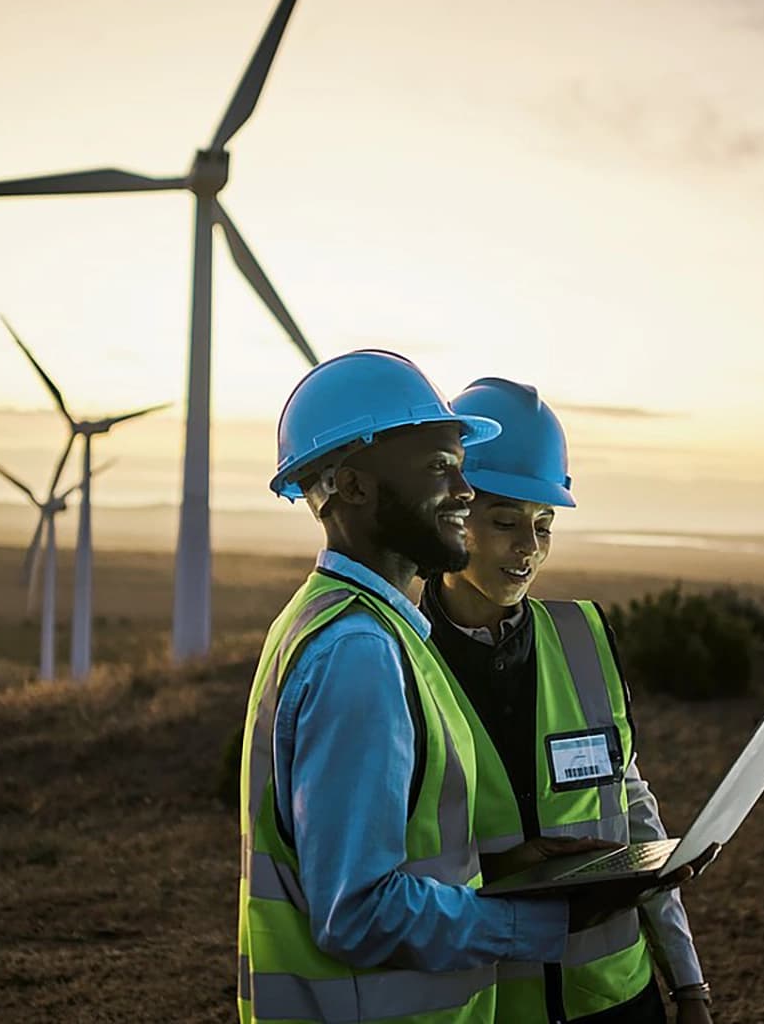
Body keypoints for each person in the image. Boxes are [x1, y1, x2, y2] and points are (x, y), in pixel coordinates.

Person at [238, 350, 691, 1024]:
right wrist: (536, 921)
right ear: (354, 488)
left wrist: (509, 862)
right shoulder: (361, 650)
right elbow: (357, 911)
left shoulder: (370, 631)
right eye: (440, 470)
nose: (460, 491)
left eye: (543, 524)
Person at [420, 378, 712, 1024]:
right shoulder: (396, 661)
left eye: (544, 524)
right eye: (504, 522)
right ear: (451, 513)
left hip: (619, 1000)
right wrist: (502, 867)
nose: (529, 547)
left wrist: (688, 984)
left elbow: (634, 813)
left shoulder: (584, 638)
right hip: (488, 1007)